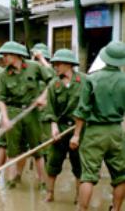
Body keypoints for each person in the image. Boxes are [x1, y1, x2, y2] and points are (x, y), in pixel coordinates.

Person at [70, 41, 125, 211]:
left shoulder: (91, 79)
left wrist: (76, 135)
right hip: (116, 131)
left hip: (94, 131)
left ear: (104, 58)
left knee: (88, 175)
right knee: (121, 175)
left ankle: (82, 209)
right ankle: (116, 209)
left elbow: (82, 111)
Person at [0, 41, 53, 189]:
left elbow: (52, 80)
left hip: (32, 112)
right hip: (13, 111)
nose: (4, 58)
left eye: (6, 55)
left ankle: (42, 183)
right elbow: (0, 99)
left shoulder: (34, 67)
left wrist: (43, 97)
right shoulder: (3, 74)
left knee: (37, 150)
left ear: (16, 56)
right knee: (13, 151)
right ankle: (11, 182)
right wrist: (5, 118)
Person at [44, 49, 85, 203]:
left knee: (79, 163)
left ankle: (78, 196)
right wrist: (54, 127)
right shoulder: (53, 84)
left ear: (68, 65)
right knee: (53, 162)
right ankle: (50, 193)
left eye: (58, 64)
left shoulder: (84, 81)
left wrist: (78, 133)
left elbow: (88, 106)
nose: (56, 67)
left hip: (78, 128)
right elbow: (50, 109)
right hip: (60, 128)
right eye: (54, 64)